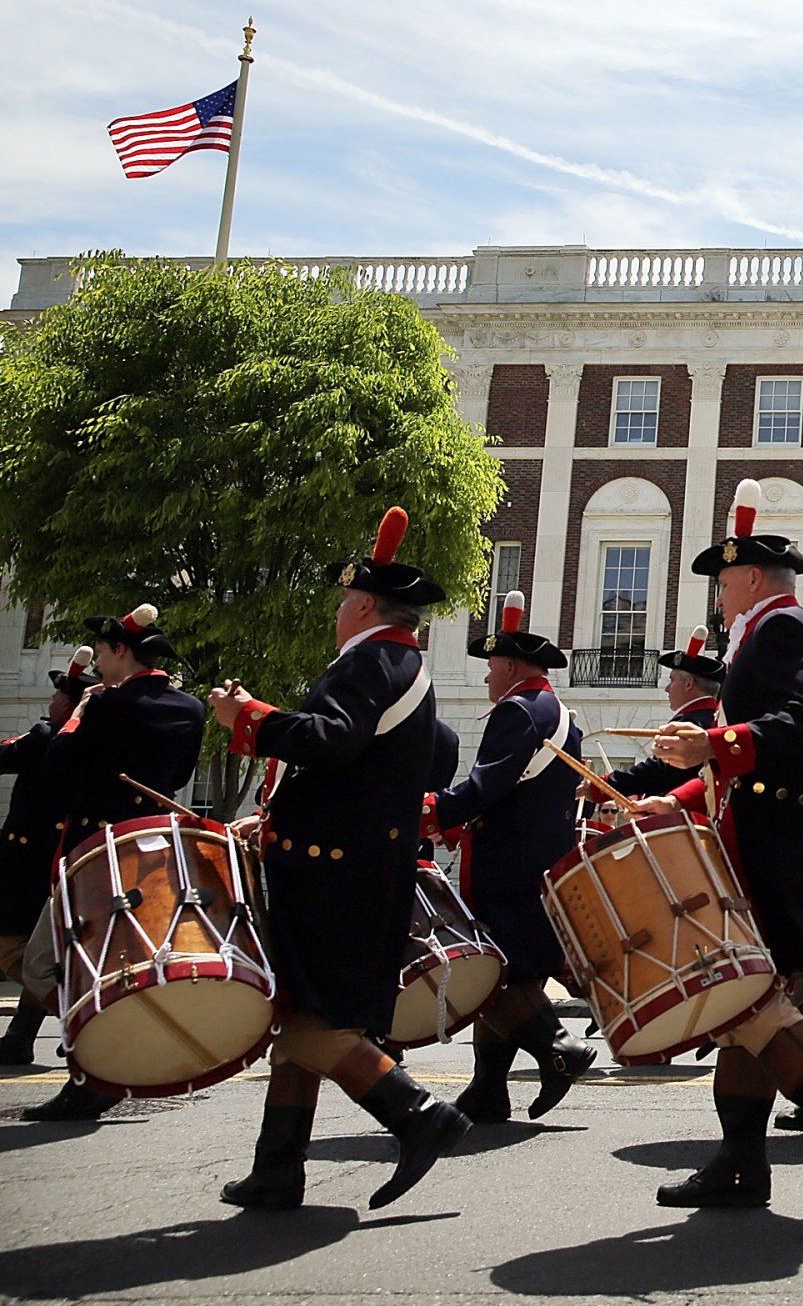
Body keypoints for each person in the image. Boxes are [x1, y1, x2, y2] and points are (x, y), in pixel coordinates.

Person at [632, 479, 803, 1212]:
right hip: (765, 843)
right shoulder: (764, 634)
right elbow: (741, 768)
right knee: (742, 1010)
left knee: (755, 1004)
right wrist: (679, 793)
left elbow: (797, 731)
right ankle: (742, 1162)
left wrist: (714, 740)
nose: (717, 598)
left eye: (722, 583)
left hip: (780, 852)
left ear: (749, 578)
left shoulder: (784, 631)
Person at [206, 509, 470, 1209]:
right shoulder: (397, 664)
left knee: (313, 1024)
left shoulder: (373, 662)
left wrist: (252, 717)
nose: (336, 614)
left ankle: (416, 1112)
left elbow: (334, 739)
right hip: (351, 866)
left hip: (331, 873)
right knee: (305, 1023)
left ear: (360, 605)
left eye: (340, 603)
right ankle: (278, 1166)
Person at [19, 603, 210, 1120]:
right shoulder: (191, 709)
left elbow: (58, 764)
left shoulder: (103, 706)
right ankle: (100, 1063)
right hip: (150, 853)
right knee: (115, 966)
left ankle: (97, 1061)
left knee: (45, 965)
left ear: (121, 651)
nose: (99, 663)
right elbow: (179, 774)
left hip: (94, 852)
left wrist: (82, 710)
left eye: (103, 652)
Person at [426, 592, 597, 1124]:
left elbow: (489, 784)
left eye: (490, 668)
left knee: (492, 973)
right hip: (544, 860)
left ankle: (560, 1049)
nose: (484, 679)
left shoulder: (517, 711)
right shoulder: (560, 712)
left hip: (508, 865)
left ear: (509, 666)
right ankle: (487, 1088)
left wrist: (434, 810)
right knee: (512, 973)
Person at [0, 647, 89, 1066]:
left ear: (68, 705)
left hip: (23, 866)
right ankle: (19, 1037)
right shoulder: (92, 748)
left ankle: (75, 1012)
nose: (50, 702)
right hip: (58, 866)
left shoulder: (43, 737)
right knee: (42, 951)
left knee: (13, 950)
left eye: (57, 698)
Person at [597, 625, 724, 801]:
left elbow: (659, 770)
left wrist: (605, 785)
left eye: (672, 680)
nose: (666, 688)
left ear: (689, 684)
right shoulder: (713, 719)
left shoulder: (691, 723)